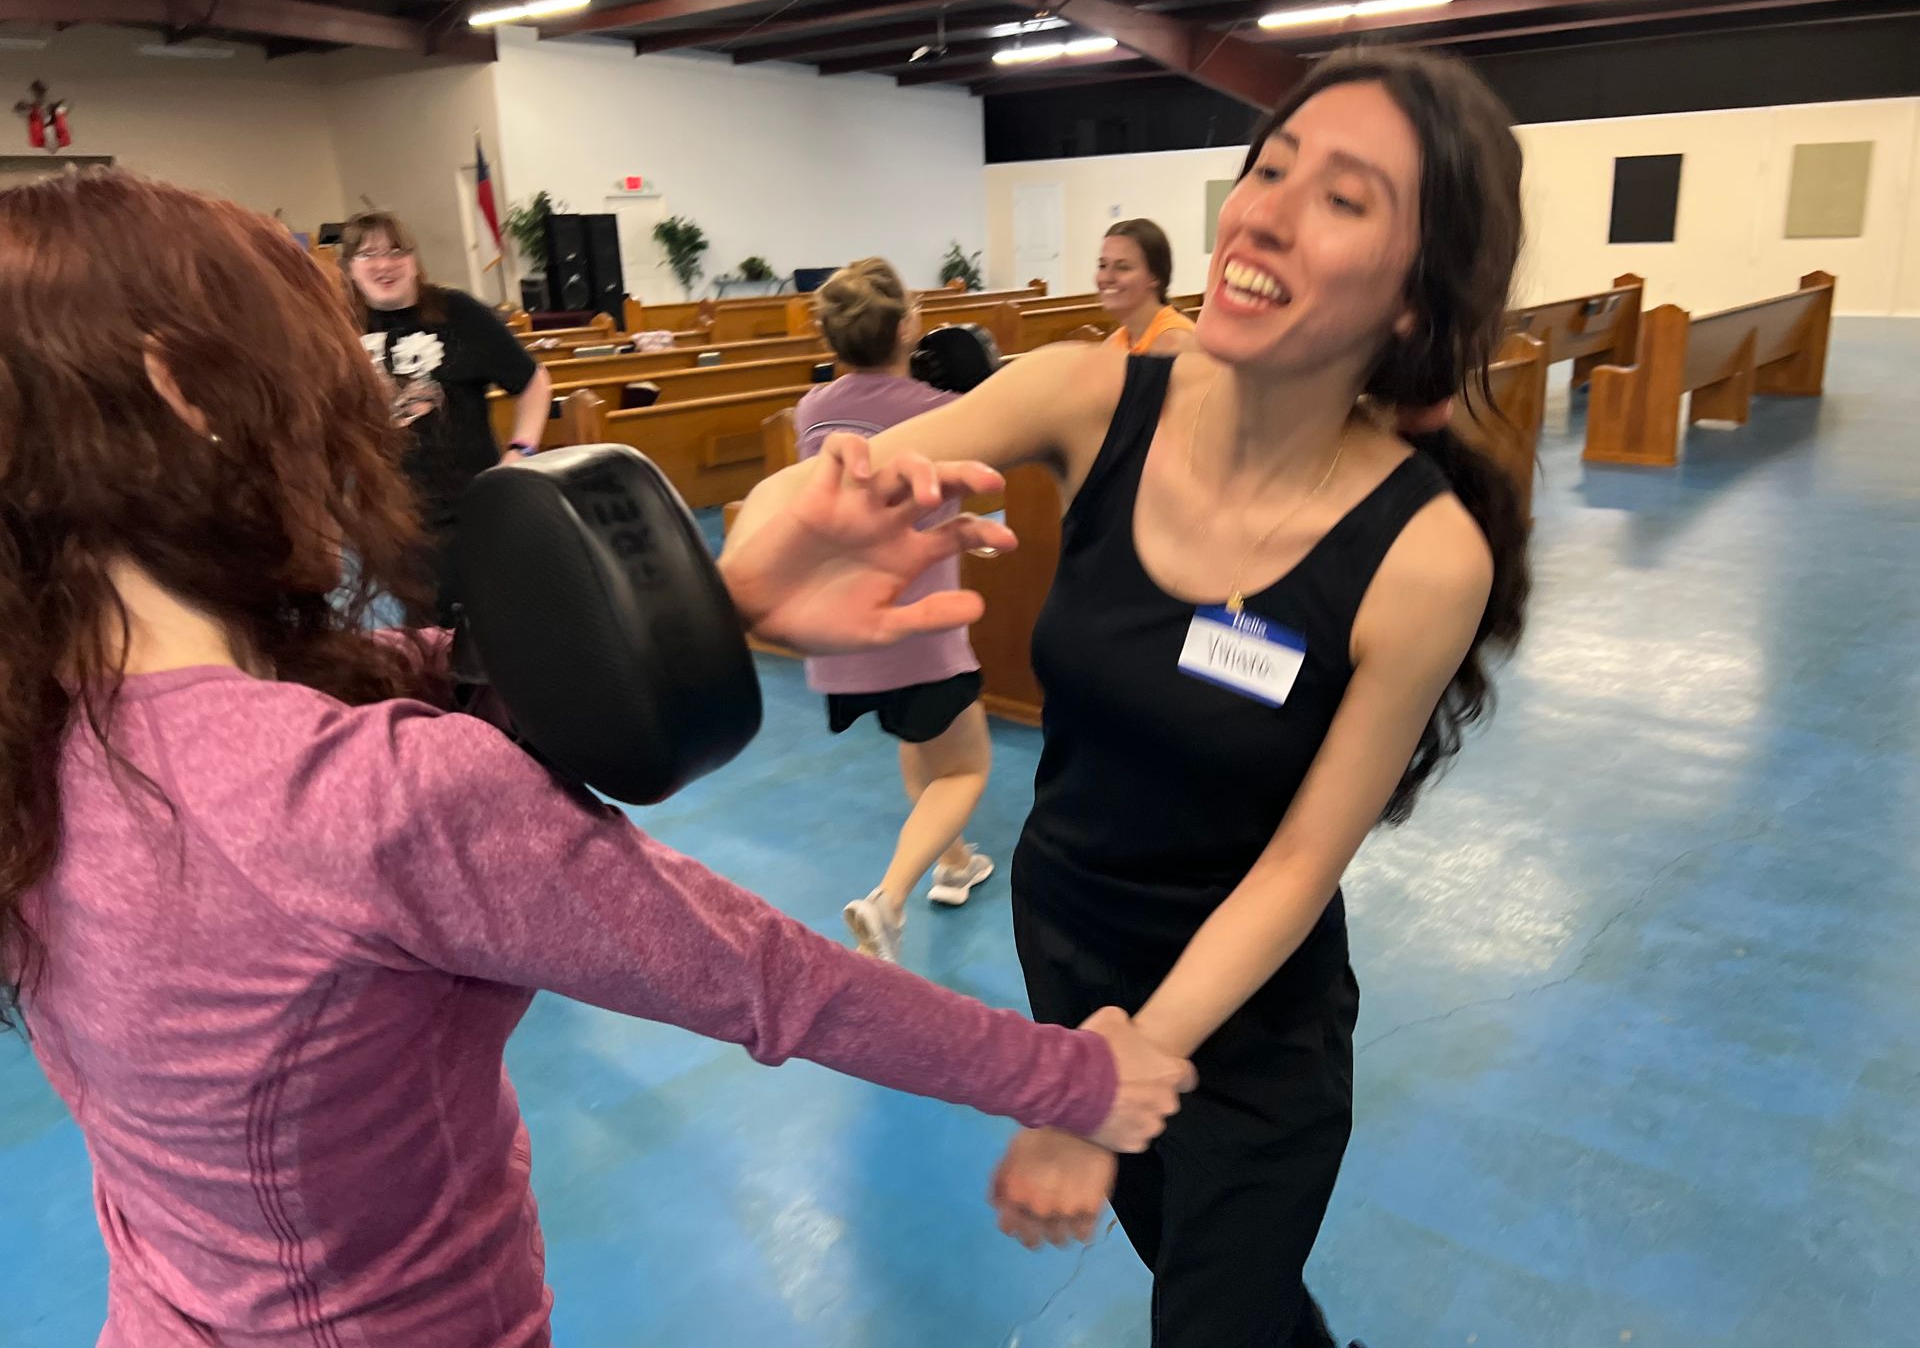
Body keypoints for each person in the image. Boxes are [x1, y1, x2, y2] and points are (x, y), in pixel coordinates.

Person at [0, 170, 1198, 1347]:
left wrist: (714, 604)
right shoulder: (368, 794)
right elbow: (771, 979)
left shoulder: (39, 725)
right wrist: (1081, 1081)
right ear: (184, 389)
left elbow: (445, 677)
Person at [734, 46, 1530, 1347]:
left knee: (1214, 1316)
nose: (1265, 213)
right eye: (1269, 169)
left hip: (1250, 1009)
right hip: (1069, 941)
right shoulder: (1090, 394)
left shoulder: (1423, 555)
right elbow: (825, 483)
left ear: (1413, 299)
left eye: (1342, 198)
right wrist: (772, 547)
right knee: (1222, 1295)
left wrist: (1107, 1080)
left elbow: (1299, 865)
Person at [796, 258, 996, 963]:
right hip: (920, 629)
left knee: (919, 741)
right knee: (967, 767)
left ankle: (954, 861)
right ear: (908, 326)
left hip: (847, 635)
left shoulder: (812, 411)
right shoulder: (942, 411)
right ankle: (889, 899)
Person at [340, 210, 555, 626]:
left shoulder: (459, 314)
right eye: (368, 255)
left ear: (414, 260)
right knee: (423, 626)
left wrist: (521, 450)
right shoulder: (339, 326)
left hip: (467, 508)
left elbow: (533, 382)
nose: (384, 265)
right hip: (389, 513)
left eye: (396, 251)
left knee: (491, 623)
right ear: (349, 266)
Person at [1097, 217, 1197, 357]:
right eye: (1102, 266)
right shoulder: (1113, 344)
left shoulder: (1179, 343)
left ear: (1154, 276)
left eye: (1123, 267)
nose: (1106, 278)